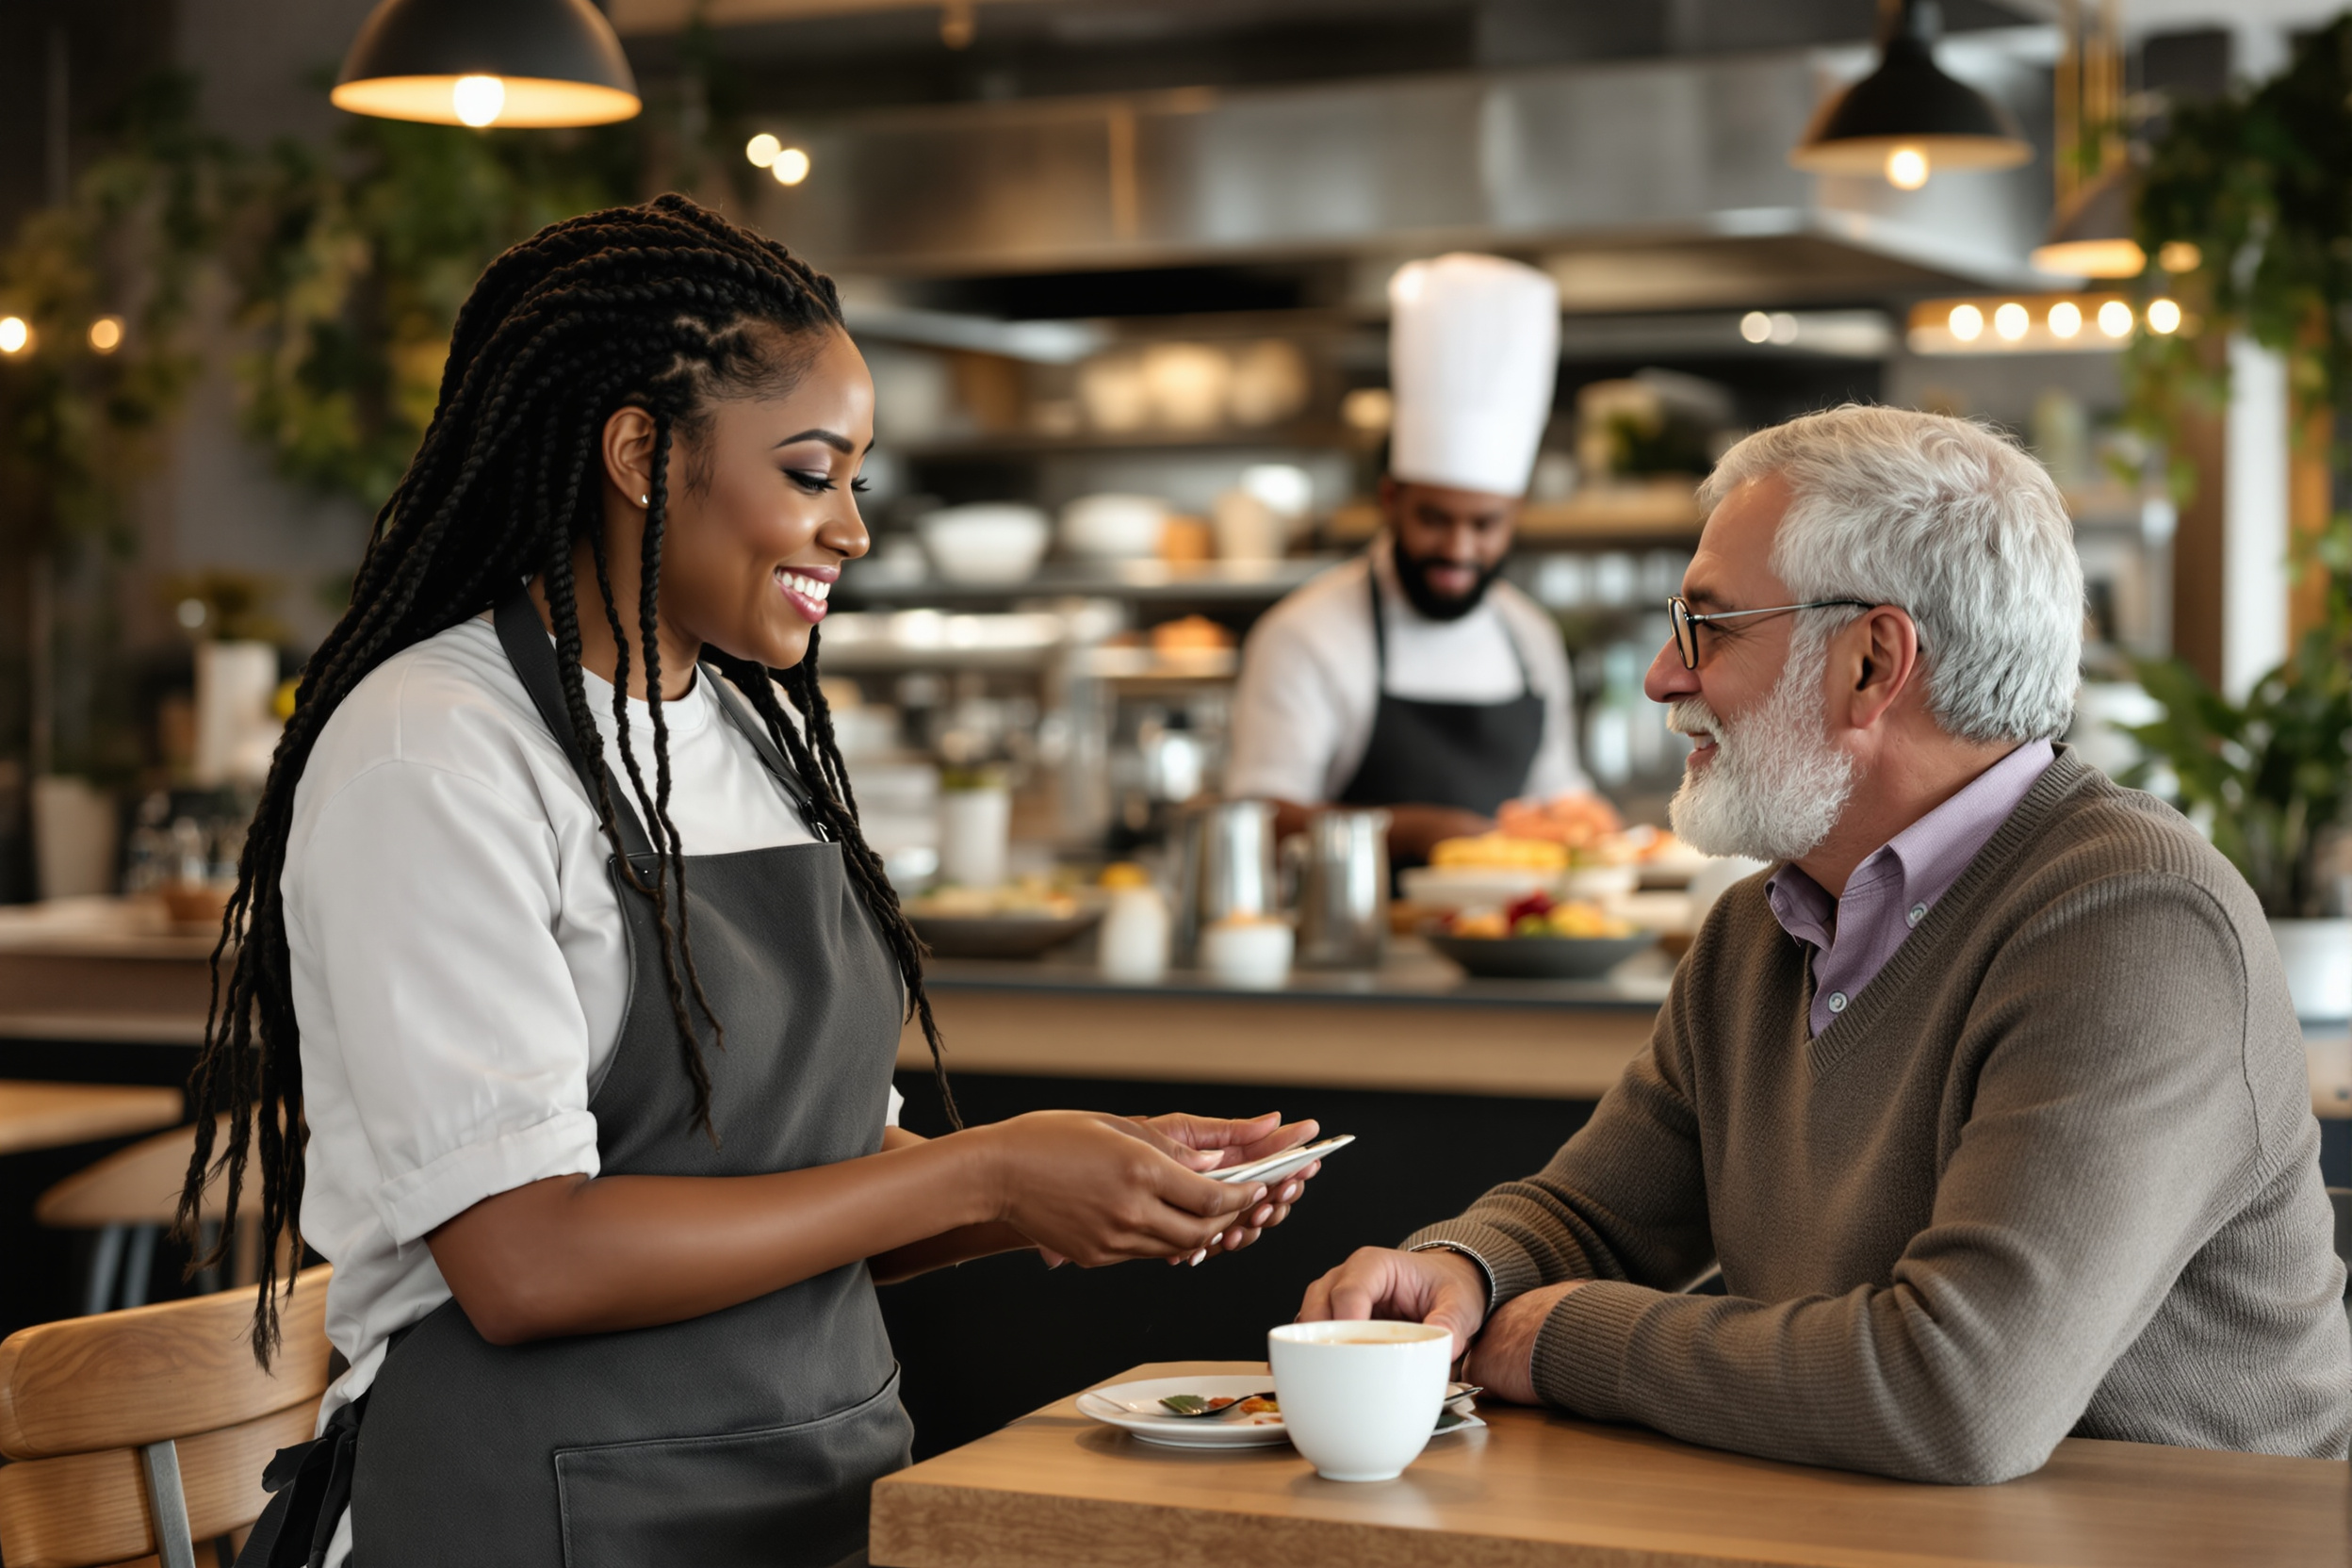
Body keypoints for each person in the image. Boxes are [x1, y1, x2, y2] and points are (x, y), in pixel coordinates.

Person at [177, 197, 1322, 1568]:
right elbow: (527, 1263)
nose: (852, 529)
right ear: (642, 456)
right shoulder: (431, 750)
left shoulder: (745, 738)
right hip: (529, 1520)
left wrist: (1065, 1184)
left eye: (858, 479)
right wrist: (985, 1173)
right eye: (811, 471)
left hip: (822, 1502)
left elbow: (817, 1187)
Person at [1300, 404, 2352, 1481]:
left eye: (1707, 626)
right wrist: (1468, 1269)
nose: (1667, 674)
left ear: (1870, 661)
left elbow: (1956, 1392)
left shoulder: (2139, 927)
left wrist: (1558, 1335)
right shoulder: (1767, 923)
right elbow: (1593, 1215)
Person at [1225, 253, 1588, 866]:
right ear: (1390, 500)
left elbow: (1558, 796)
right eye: (1434, 519)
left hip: (1509, 939)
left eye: (1485, 525)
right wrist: (1414, 833)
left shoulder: (1529, 637)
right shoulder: (1306, 635)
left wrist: (1586, 822)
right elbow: (1259, 820)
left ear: (1515, 514)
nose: (1458, 549)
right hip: (1347, 945)